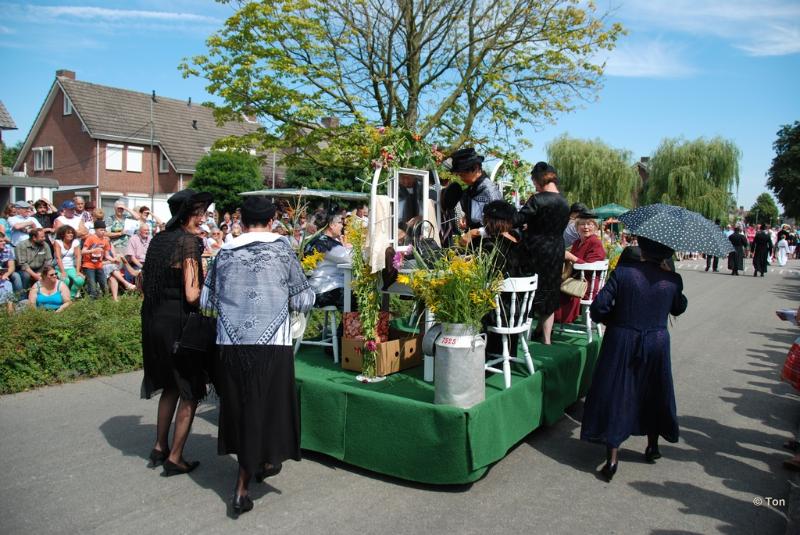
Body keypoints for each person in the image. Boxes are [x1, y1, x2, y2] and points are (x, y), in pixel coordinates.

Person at [202, 196, 315, 516]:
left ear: (242, 220)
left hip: (231, 343)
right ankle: (241, 487)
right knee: (266, 407)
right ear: (271, 220)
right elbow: (302, 298)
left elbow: (208, 301)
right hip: (271, 345)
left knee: (241, 407)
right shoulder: (281, 249)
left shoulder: (224, 251)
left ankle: (263, 461)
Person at [581, 237, 688, 481]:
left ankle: (612, 459)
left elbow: (598, 308)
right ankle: (653, 446)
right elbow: (678, 308)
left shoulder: (625, 272)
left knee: (618, 391)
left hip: (622, 337)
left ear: (642, 249)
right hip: (657, 340)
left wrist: (616, 320)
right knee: (654, 390)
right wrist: (671, 276)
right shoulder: (672, 279)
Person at [140, 188, 212, 476]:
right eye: (200, 214)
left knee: (170, 385)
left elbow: (142, 284)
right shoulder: (188, 243)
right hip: (179, 323)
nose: (203, 218)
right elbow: (193, 294)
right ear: (188, 215)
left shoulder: (159, 240)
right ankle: (175, 457)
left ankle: (159, 446)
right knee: (190, 390)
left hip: (154, 320)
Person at [514, 162, 570, 345]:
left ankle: (524, 337)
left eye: (534, 182)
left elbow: (518, 219)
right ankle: (546, 340)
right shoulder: (564, 202)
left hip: (535, 249)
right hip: (556, 249)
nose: (534, 186)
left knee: (528, 290)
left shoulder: (538, 199)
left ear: (539, 179)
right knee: (550, 292)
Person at [554, 213, 606, 325]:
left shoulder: (595, 242)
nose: (586, 227)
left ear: (595, 227)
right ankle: (549, 323)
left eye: (589, 224)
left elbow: (588, 267)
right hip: (577, 279)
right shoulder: (577, 242)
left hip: (586, 284)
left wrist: (571, 257)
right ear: (577, 227)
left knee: (555, 289)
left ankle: (554, 321)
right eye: (582, 224)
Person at [450, 147, 502, 239]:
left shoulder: (490, 191)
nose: (461, 178)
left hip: (489, 245)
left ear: (476, 168)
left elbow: (499, 227)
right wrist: (466, 219)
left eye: (463, 175)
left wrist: (474, 233)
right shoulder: (470, 190)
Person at [304, 211, 352, 308]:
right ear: (331, 225)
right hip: (323, 291)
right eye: (340, 223)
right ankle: (348, 323)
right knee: (359, 298)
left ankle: (346, 323)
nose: (342, 226)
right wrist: (351, 248)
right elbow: (351, 259)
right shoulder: (328, 244)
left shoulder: (314, 240)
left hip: (313, 290)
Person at [81, 220, 114, 298]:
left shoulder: (105, 241)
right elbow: (83, 251)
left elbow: (107, 255)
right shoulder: (90, 238)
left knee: (104, 284)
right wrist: (93, 250)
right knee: (92, 285)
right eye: (101, 230)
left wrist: (113, 259)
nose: (103, 232)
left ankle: (106, 301)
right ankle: (92, 304)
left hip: (99, 265)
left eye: (104, 230)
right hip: (89, 265)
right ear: (95, 230)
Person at [54, 225, 85, 299]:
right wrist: (63, 272)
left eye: (72, 233)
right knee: (65, 280)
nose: (71, 234)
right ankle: (64, 297)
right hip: (59, 267)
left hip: (71, 267)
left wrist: (77, 271)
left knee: (79, 280)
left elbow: (78, 257)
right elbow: (58, 258)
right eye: (68, 233)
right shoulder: (57, 242)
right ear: (63, 234)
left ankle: (72, 296)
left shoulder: (75, 242)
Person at [0, 231, 18, 312]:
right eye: (1, 241)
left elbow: (12, 267)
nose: (4, 243)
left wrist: (5, 275)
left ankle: (10, 312)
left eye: (4, 240)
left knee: (7, 283)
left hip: (3, 275)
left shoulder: (8, 249)